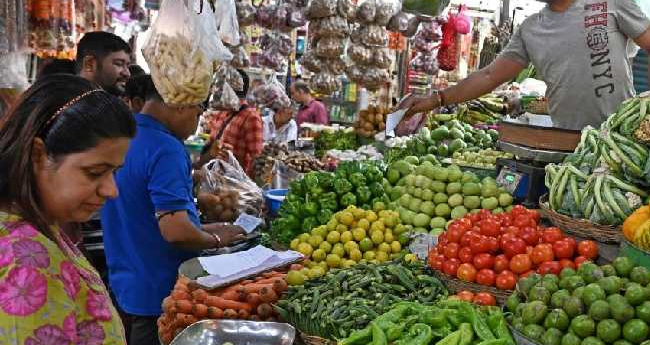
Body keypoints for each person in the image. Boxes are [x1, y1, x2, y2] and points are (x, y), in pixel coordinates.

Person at [100, 75, 246, 345]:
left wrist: (199, 228)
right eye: (197, 110)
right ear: (181, 104)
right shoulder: (166, 147)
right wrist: (215, 239)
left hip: (125, 281)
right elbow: (176, 232)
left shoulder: (124, 133)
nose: (197, 121)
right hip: (158, 292)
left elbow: (141, 210)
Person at [0, 74, 136, 343]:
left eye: (114, 172)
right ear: (38, 155)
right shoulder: (25, 263)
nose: (111, 190)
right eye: (95, 172)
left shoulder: (39, 228)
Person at [400, 0, 650, 131]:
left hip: (621, 136)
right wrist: (436, 99)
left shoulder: (611, 3)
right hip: (568, 141)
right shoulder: (531, 28)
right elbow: (489, 76)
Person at [206, 70, 264, 177]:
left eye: (222, 85)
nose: (218, 89)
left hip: (235, 183)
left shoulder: (251, 117)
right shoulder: (222, 112)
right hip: (214, 178)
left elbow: (256, 159)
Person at [76, 31, 132, 96]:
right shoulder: (70, 102)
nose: (127, 73)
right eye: (118, 64)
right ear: (90, 64)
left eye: (128, 66)